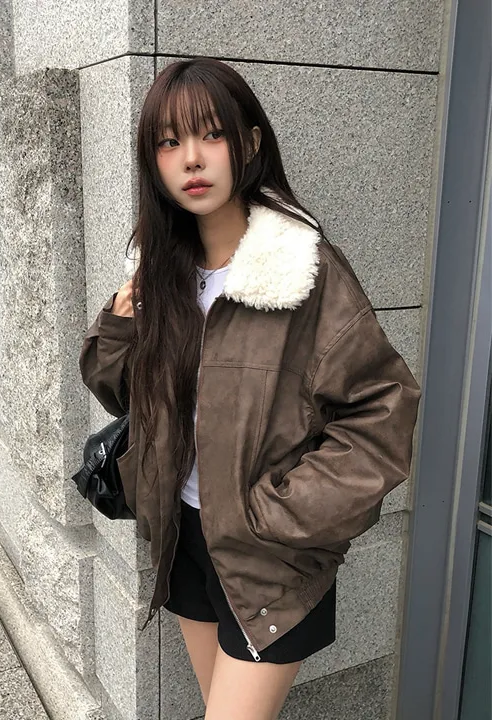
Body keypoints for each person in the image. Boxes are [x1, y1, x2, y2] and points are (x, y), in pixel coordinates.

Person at [79, 57, 422, 720]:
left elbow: (383, 413)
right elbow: (122, 396)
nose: (192, 158)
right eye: (169, 142)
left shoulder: (303, 271)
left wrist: (278, 515)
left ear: (251, 141)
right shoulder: (160, 272)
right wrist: (120, 325)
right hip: (182, 538)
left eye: (211, 133)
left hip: (269, 558)